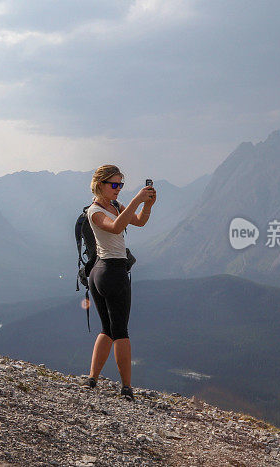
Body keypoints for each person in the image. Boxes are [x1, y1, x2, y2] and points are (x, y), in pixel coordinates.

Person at [85, 164, 156, 400]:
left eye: (120, 185)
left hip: (99, 273)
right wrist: (137, 199)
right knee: (121, 332)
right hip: (112, 273)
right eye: (114, 185)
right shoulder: (94, 211)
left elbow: (138, 222)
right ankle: (126, 388)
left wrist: (148, 205)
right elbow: (116, 228)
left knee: (107, 328)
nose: (118, 189)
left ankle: (92, 379)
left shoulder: (114, 205)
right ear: (100, 185)